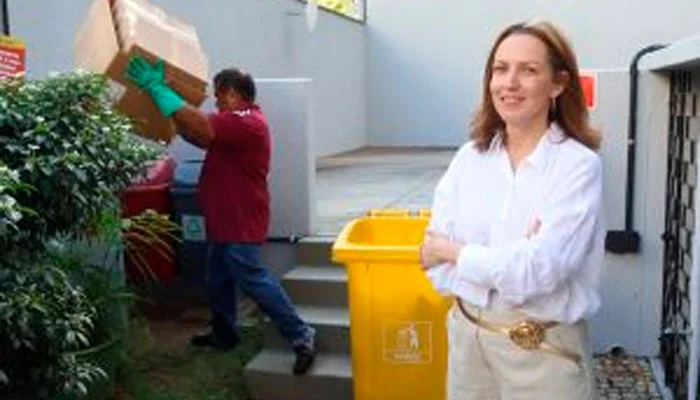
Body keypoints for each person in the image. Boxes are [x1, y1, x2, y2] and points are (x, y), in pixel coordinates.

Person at [420, 20, 604, 400]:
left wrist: (455, 252)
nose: (510, 82)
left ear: (558, 84)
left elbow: (538, 273)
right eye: (500, 69)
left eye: (529, 70)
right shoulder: (470, 158)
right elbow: (432, 261)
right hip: (467, 341)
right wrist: (506, 260)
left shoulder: (577, 166)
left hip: (542, 352)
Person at [125, 58, 317, 375]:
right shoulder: (230, 125)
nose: (215, 100)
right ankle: (224, 335)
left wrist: (159, 88)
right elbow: (197, 135)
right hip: (222, 217)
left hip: (241, 219)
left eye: (218, 94)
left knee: (252, 277)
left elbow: (201, 126)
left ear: (232, 92)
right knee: (217, 279)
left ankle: (300, 334)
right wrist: (167, 100)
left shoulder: (246, 120)